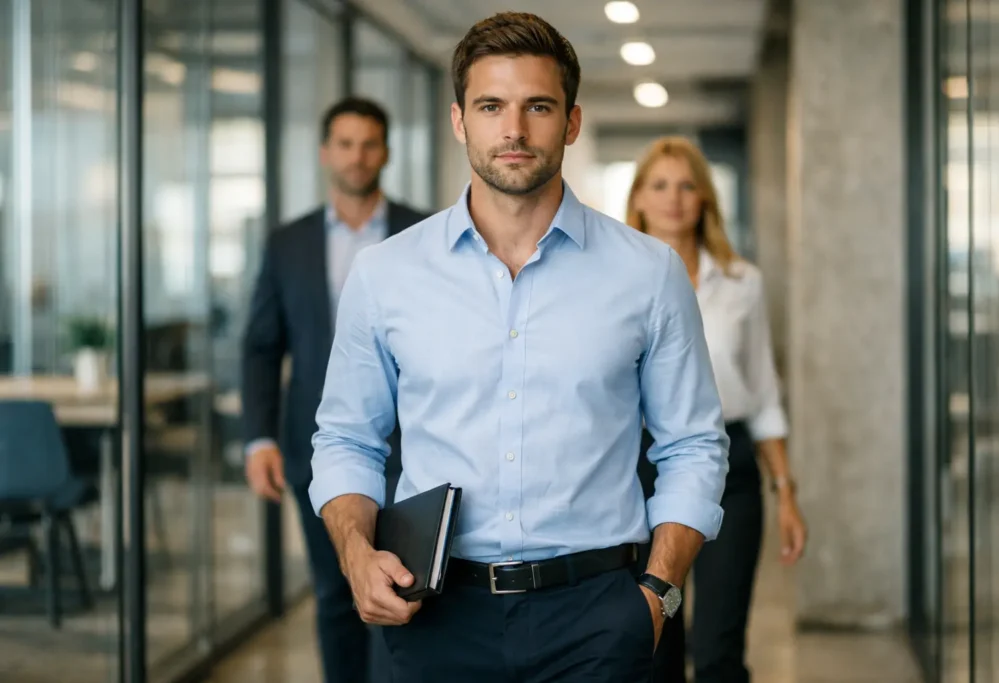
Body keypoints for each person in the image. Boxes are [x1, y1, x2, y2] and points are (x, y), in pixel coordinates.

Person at [307, 12, 729, 683]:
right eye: (491, 106)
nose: (513, 129)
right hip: (433, 615)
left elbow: (692, 446)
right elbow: (346, 440)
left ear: (572, 122)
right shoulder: (385, 273)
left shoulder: (648, 273)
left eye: (538, 106)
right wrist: (357, 553)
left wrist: (658, 593)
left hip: (600, 615)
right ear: (458, 120)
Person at [241, 96, 428, 683]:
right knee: (335, 594)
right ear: (326, 153)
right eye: (345, 144)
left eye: (369, 143)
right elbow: (261, 346)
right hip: (312, 447)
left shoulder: (424, 234)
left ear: (386, 153)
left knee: (408, 598)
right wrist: (258, 439)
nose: (357, 156)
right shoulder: (287, 243)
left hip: (413, 450)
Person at [627, 136, 808, 683]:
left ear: (705, 198)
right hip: (640, 470)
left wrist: (786, 494)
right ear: (637, 198)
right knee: (653, 639)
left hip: (731, 466)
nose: (674, 199)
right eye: (659, 185)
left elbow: (763, 392)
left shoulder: (741, 282)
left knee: (719, 649)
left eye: (687, 186)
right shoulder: (616, 282)